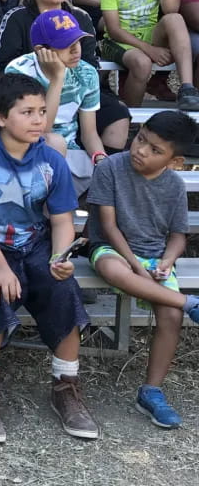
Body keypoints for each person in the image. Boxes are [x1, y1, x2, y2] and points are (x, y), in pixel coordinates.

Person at [0, 74, 97, 443]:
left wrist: (60, 258)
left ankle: (66, 386)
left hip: (33, 242)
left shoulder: (50, 159)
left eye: (42, 112)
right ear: (0, 117)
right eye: (27, 112)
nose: (38, 120)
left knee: (63, 288)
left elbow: (62, 219)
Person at [87, 111, 199, 429]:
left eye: (154, 150)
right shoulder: (110, 167)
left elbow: (178, 235)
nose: (140, 150)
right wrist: (135, 266)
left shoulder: (175, 186)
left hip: (153, 256)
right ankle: (192, 304)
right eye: (140, 139)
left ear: (175, 162)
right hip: (111, 249)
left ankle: (151, 392)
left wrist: (166, 261)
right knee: (116, 270)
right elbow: (108, 226)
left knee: (171, 316)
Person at [0, 0, 131, 154]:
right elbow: (2, 69)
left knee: (118, 114)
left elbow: (90, 65)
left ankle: (102, 172)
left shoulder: (80, 17)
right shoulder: (17, 18)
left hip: (75, 86)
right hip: (29, 91)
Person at [5, 10, 105, 196]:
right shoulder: (19, 71)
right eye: (66, 44)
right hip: (26, 151)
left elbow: (89, 133)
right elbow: (40, 130)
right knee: (54, 142)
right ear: (41, 50)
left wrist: (101, 160)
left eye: (78, 41)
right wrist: (57, 78)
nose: (76, 50)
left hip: (70, 155)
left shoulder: (87, 73)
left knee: (107, 169)